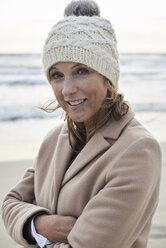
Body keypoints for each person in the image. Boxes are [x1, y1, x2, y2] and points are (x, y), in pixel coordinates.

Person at [1, 0, 162, 247]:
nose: (67, 89)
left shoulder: (138, 150)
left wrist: (29, 232)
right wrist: (39, 225)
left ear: (108, 76)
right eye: (57, 75)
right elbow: (10, 202)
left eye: (81, 71)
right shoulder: (55, 139)